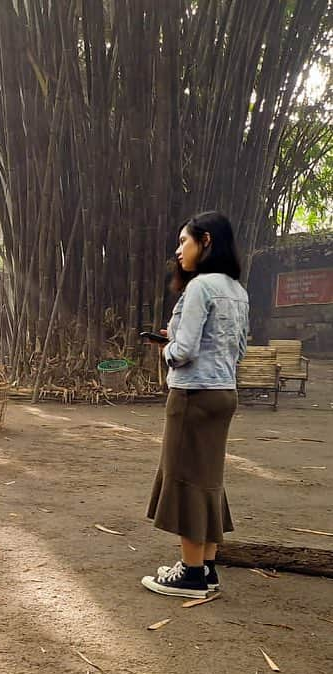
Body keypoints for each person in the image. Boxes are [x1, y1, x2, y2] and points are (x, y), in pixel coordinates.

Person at [141, 211, 249, 599]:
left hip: (193, 395)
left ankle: (189, 574)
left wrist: (168, 347)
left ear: (205, 241)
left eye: (183, 241)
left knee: (185, 477)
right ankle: (206, 569)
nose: (178, 250)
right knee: (208, 478)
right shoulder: (238, 290)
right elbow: (239, 349)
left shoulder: (201, 287)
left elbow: (184, 351)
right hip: (224, 393)